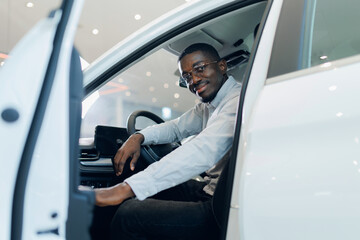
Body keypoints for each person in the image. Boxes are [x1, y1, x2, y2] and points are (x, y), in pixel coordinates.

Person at [90, 43, 242, 240]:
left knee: (130, 214)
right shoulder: (210, 104)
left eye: (200, 68)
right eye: (187, 76)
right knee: (135, 170)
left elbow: (202, 151)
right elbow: (176, 128)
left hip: (221, 208)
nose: (194, 80)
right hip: (209, 189)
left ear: (222, 66)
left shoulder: (237, 101)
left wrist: (125, 188)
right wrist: (139, 136)